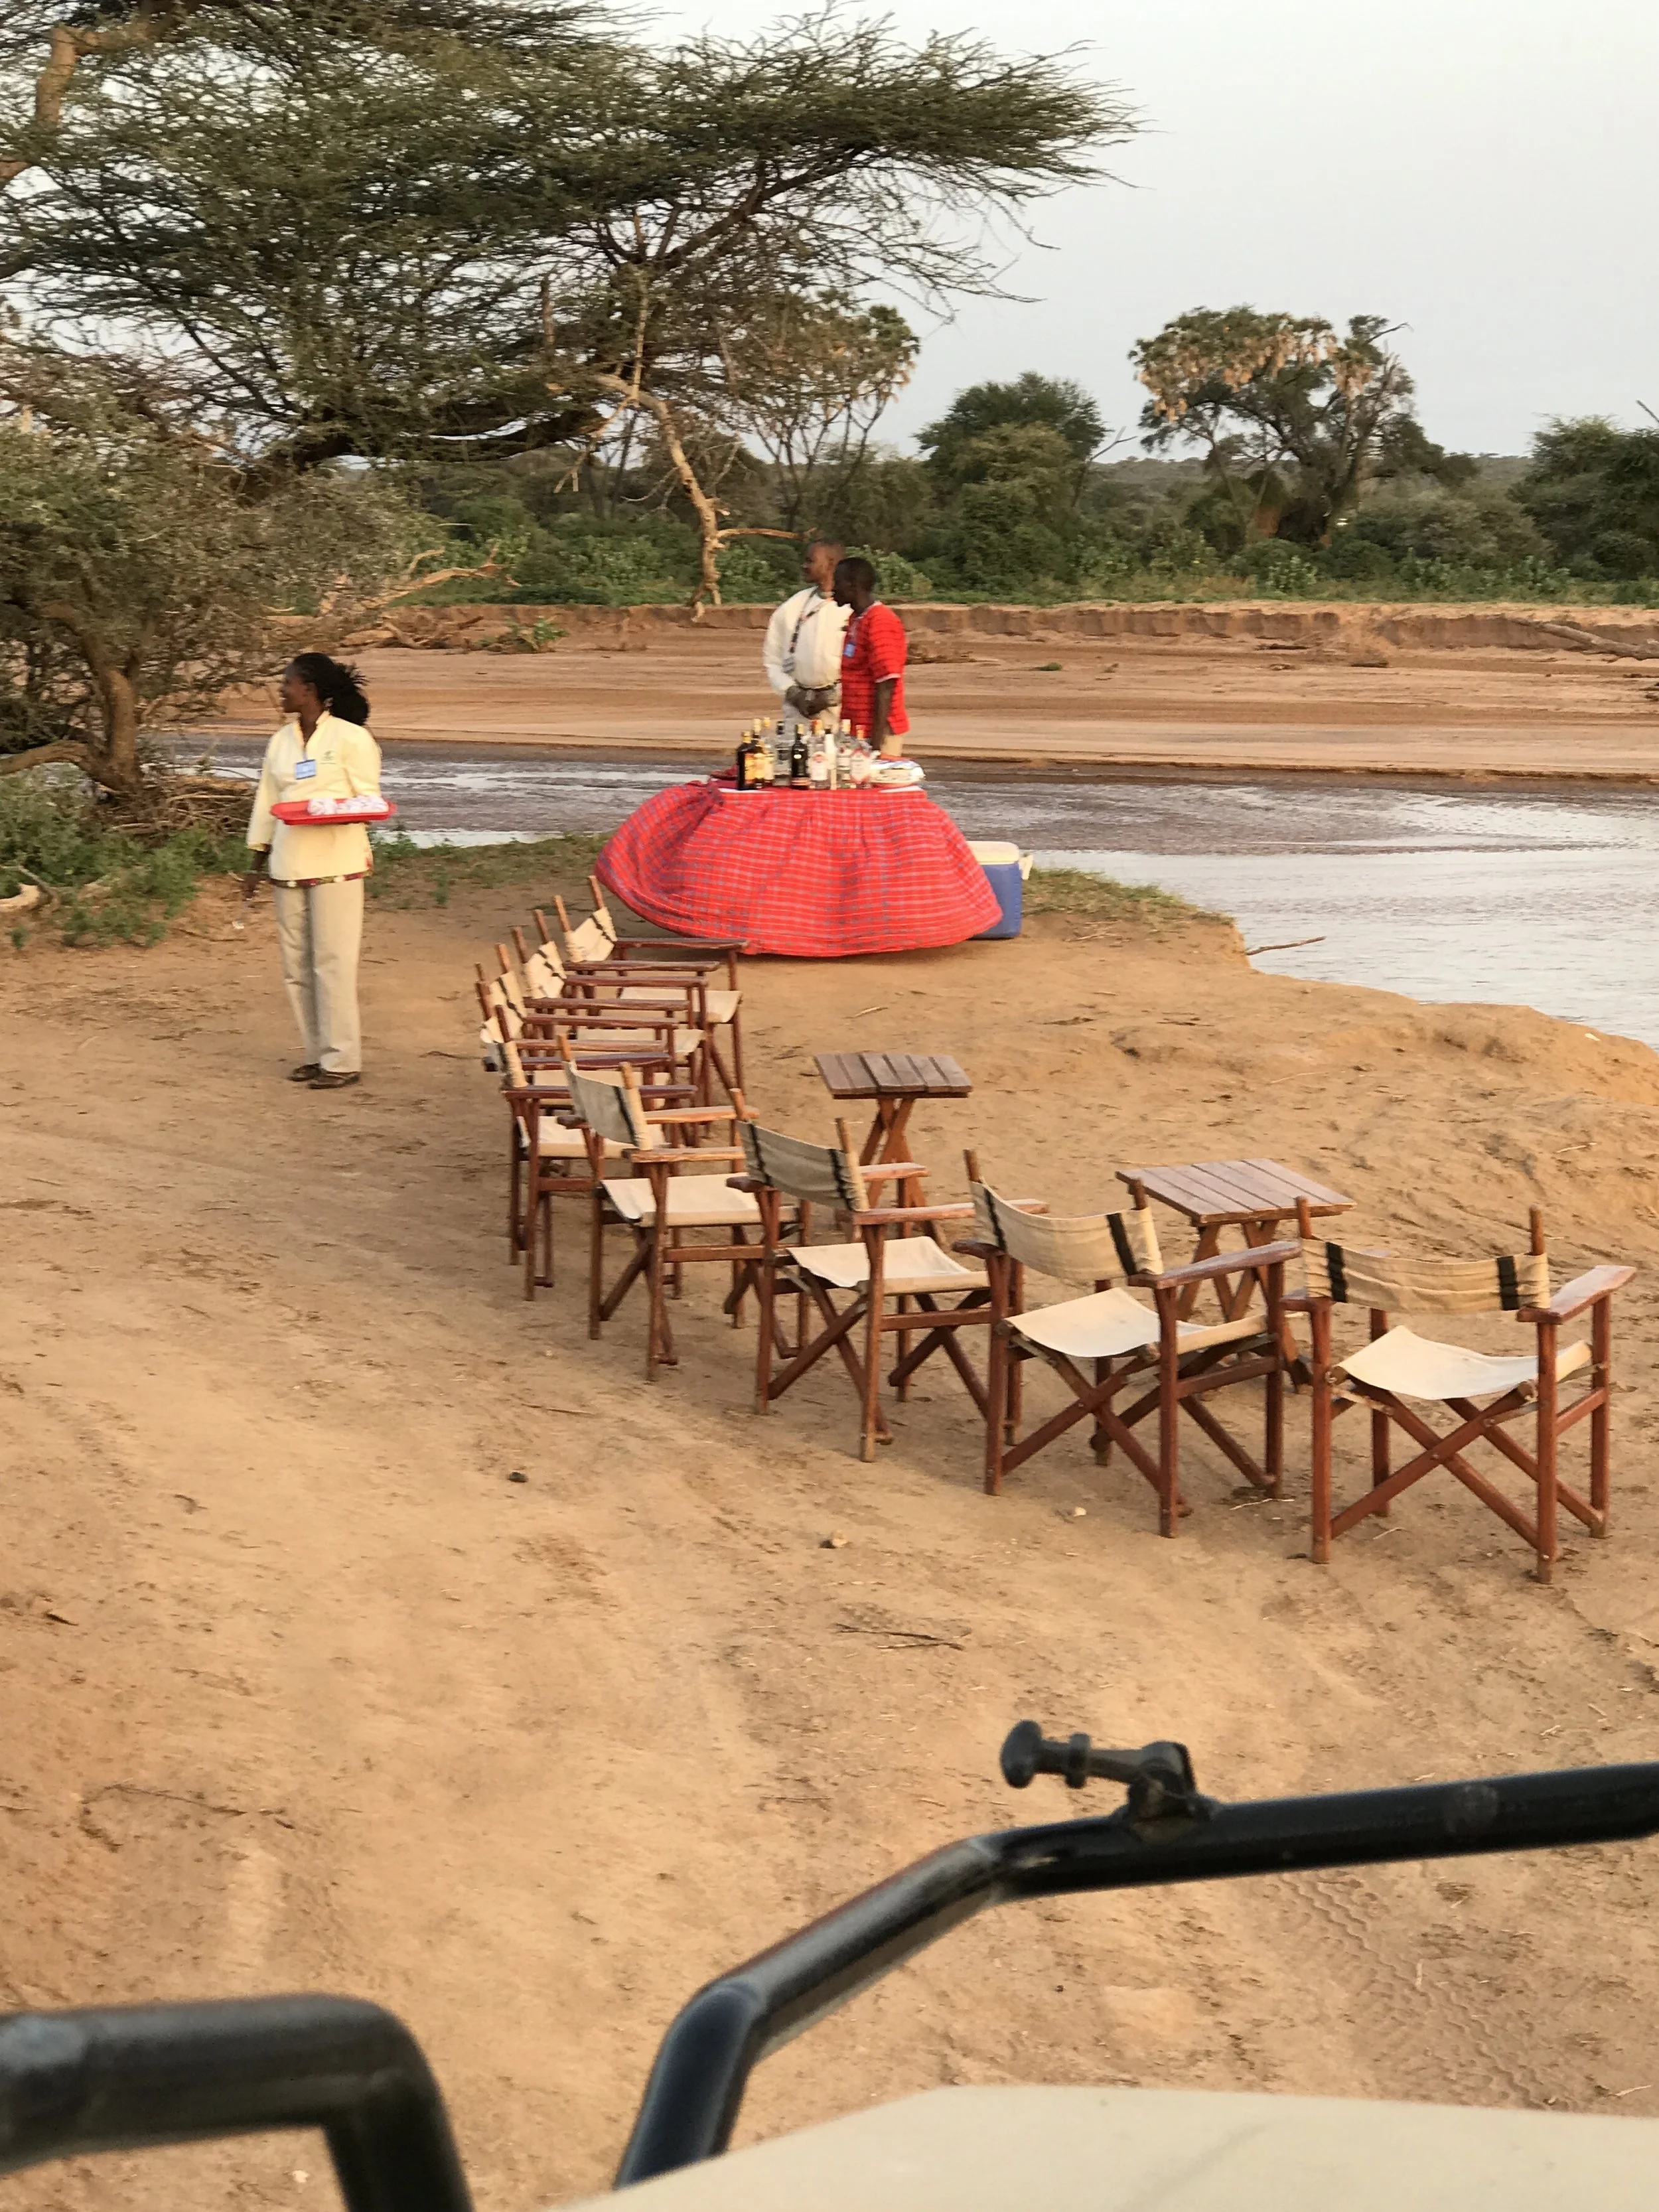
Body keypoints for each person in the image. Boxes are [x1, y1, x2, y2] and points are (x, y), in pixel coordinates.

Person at [242, 654, 383, 1090]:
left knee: (333, 963)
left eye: (287, 684)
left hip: (337, 861)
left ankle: (342, 1059)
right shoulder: (281, 741)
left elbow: (368, 801)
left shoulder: (351, 738)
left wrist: (331, 813)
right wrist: (255, 863)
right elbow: (267, 803)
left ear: (310, 689)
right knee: (297, 966)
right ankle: (315, 1053)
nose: (281, 691)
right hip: (288, 862)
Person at [762, 538, 849, 726]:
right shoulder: (791, 608)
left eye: (811, 561)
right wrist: (793, 693)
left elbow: (863, 669)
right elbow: (773, 661)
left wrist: (831, 697)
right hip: (798, 711)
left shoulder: (852, 609)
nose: (804, 566)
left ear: (831, 564)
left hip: (841, 711)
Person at [832, 555, 909, 757]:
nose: (833, 589)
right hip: (857, 729)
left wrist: (876, 747)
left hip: (878, 732)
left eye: (837, 582)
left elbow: (886, 683)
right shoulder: (856, 619)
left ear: (852, 585)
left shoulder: (880, 621)